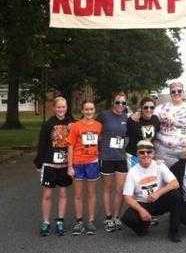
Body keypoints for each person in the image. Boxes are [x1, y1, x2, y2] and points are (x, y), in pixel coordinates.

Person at [121, 140, 181, 243]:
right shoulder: (132, 171)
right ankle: (144, 227)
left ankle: (173, 231)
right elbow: (127, 196)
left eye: (148, 152)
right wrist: (141, 210)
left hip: (159, 201)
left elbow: (175, 183)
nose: (145, 155)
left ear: (153, 154)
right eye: (142, 152)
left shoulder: (160, 165)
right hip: (143, 203)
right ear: (137, 154)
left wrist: (158, 193)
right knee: (127, 218)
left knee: (175, 195)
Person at [33, 96, 73, 236]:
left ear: (66, 108)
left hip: (64, 164)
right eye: (58, 107)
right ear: (54, 108)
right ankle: (46, 222)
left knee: (62, 193)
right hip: (50, 164)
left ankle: (60, 221)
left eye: (63, 107)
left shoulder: (71, 123)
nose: (61, 109)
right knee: (47, 194)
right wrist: (39, 162)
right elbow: (42, 144)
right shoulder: (48, 124)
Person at [67, 101, 102, 235]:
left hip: (92, 163)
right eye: (86, 109)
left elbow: (100, 142)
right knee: (78, 194)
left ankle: (91, 221)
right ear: (82, 111)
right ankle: (79, 221)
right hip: (77, 163)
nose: (89, 112)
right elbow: (70, 146)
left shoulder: (99, 126)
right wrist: (70, 166)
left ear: (94, 110)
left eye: (91, 109)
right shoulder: (76, 126)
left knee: (91, 193)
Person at [97, 92, 128, 232]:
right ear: (113, 103)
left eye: (123, 103)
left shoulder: (126, 117)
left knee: (120, 189)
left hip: (121, 157)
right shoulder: (104, 115)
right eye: (118, 102)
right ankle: (108, 218)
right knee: (107, 189)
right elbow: (90, 126)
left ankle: (116, 217)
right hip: (107, 157)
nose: (120, 105)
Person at [154, 82, 186, 167]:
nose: (176, 93)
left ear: (183, 93)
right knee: (166, 179)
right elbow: (147, 115)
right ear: (170, 94)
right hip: (164, 152)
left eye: (179, 91)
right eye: (173, 91)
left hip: (184, 152)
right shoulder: (160, 108)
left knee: (182, 179)